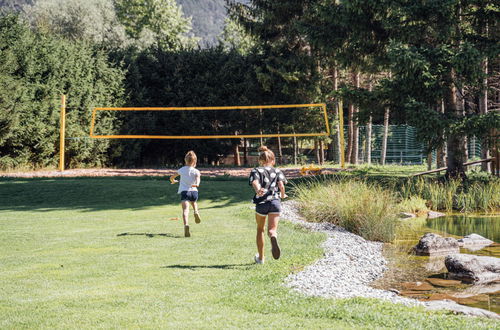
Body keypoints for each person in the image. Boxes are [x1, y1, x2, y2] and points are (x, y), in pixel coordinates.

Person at [248, 146, 287, 264]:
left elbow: (254, 182)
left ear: (260, 161)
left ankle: (261, 258)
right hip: (275, 202)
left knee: (260, 229)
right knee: (272, 230)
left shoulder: (256, 170)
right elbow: (281, 186)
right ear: (273, 161)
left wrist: (258, 190)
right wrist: (282, 195)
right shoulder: (277, 171)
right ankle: (273, 237)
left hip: (262, 202)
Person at [170, 151, 201, 237]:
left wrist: (173, 181)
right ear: (194, 161)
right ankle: (196, 211)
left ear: (185, 160)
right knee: (194, 203)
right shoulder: (196, 171)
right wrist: (197, 184)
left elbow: (172, 177)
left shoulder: (182, 170)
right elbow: (198, 179)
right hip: (194, 191)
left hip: (185, 192)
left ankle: (186, 225)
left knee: (185, 210)